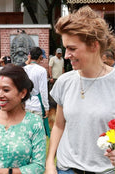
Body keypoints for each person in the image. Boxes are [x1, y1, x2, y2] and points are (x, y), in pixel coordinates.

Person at [46, 6, 115, 173]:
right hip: (67, 169)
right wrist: (49, 163)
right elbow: (59, 125)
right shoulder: (64, 81)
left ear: (94, 45)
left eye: (72, 48)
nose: (67, 54)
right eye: (65, 48)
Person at [0, 64, 46, 174]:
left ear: (23, 93)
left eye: (6, 90)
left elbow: (38, 166)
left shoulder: (34, 123)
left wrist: (6, 172)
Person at [23, 47, 48, 119]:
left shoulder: (24, 69)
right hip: (37, 105)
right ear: (41, 57)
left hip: (26, 105)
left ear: (30, 56)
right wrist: (46, 107)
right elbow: (43, 90)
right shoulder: (42, 70)